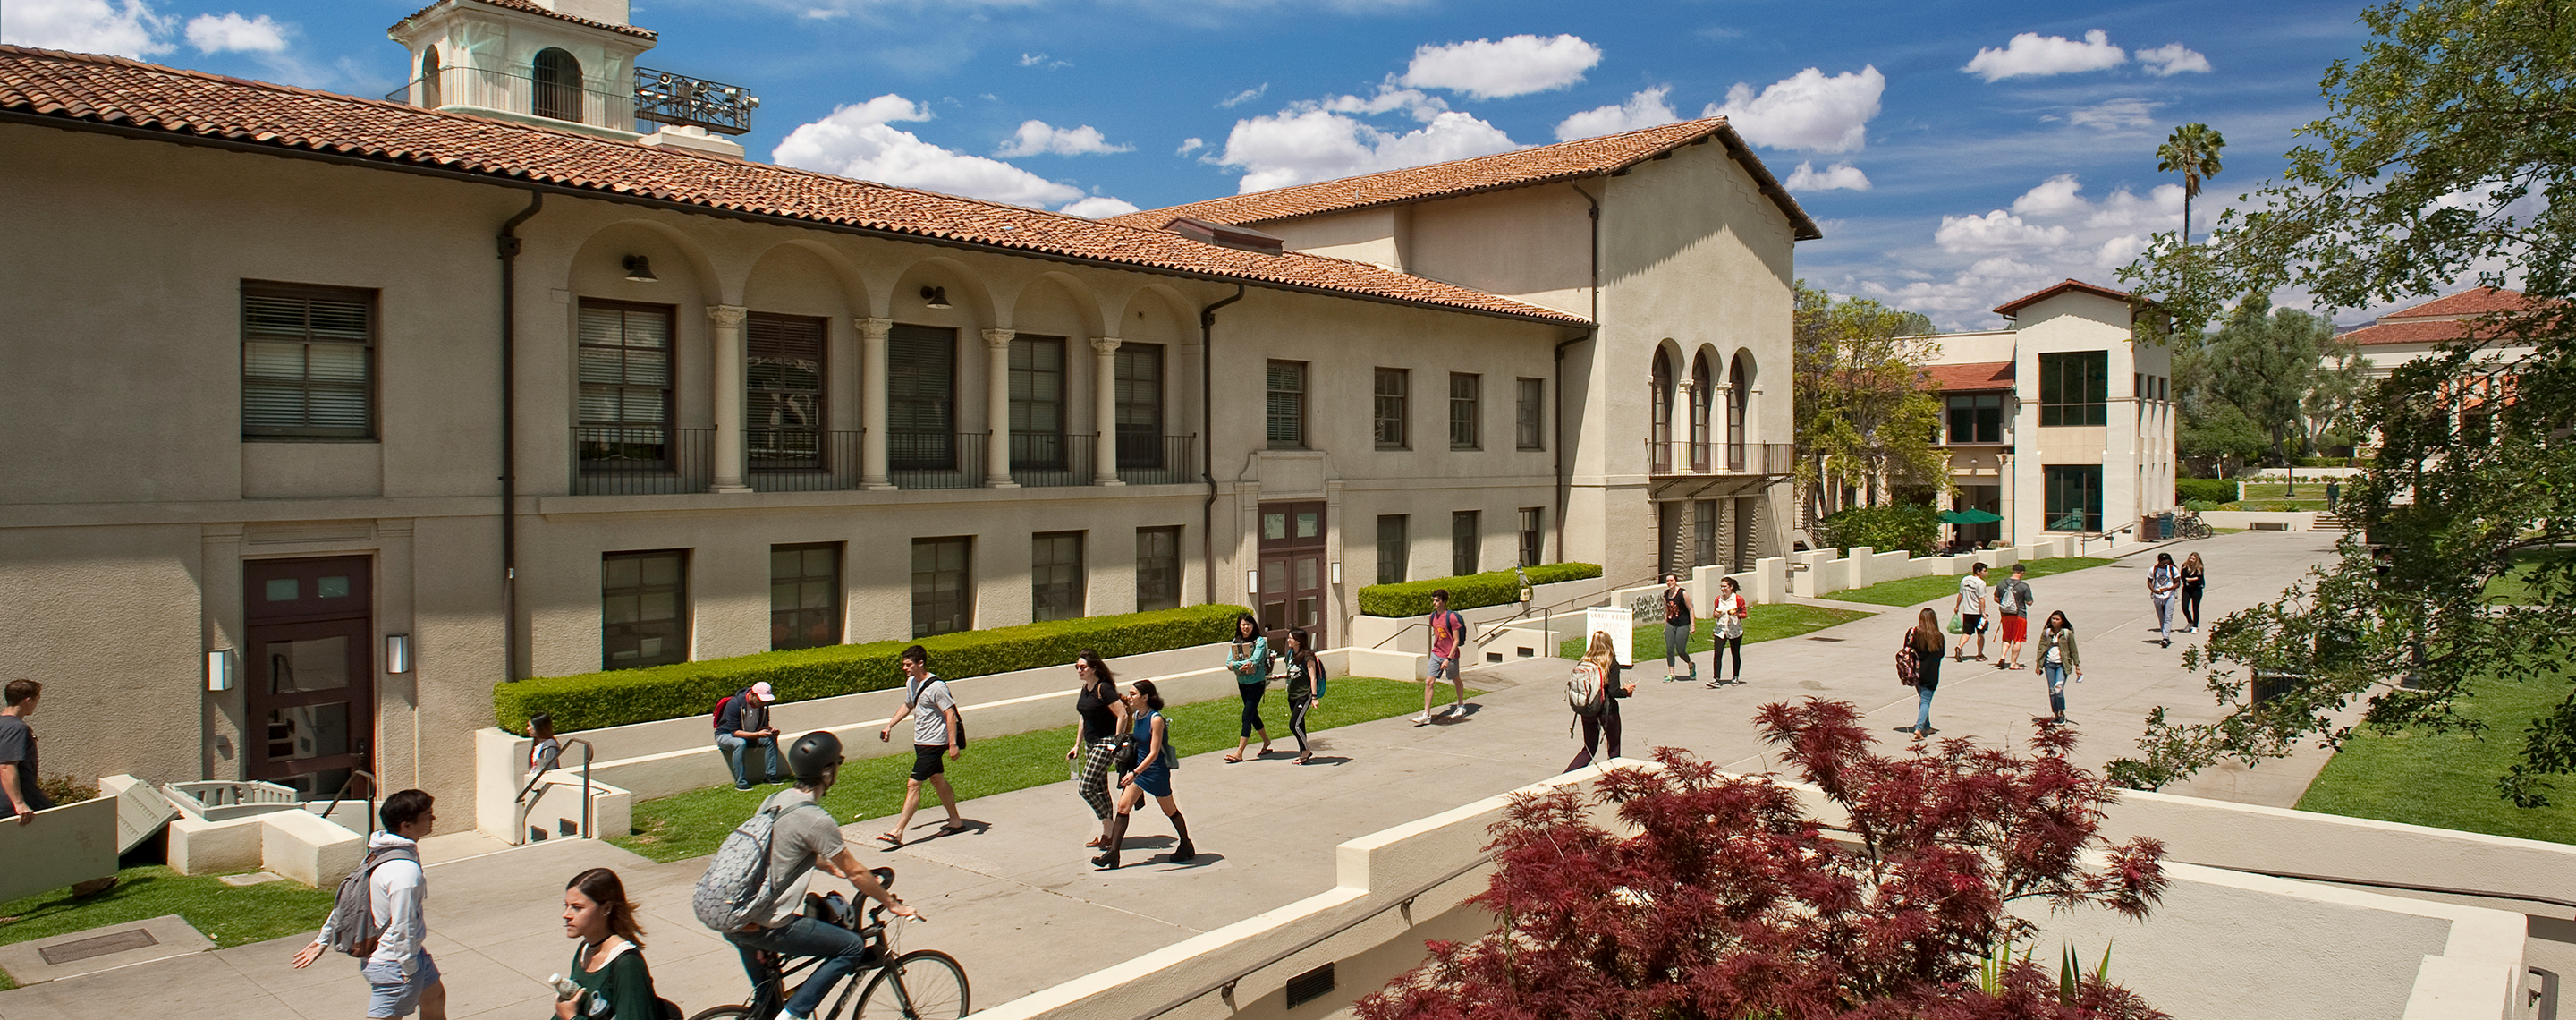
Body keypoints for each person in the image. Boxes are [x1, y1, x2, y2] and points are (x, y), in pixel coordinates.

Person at [724, 732, 914, 1020]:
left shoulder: (774, 799)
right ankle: (794, 1015)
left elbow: (783, 848)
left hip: (734, 914)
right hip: (765, 921)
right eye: (837, 763)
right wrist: (893, 904)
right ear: (828, 771)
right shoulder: (816, 819)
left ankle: (771, 1012)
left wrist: (827, 866)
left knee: (767, 1003)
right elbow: (856, 871)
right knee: (851, 947)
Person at [293, 788, 445, 1020]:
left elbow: (348, 902)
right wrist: (408, 969)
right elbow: (403, 926)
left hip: (409, 957)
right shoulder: (405, 871)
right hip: (396, 963)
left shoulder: (379, 854)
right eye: (428, 815)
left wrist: (322, 940)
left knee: (434, 998)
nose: (433, 818)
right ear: (407, 825)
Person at [1093, 678, 1194, 870]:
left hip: (1155, 771)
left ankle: (1186, 844)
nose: (1129, 697)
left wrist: (1134, 773)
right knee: (1123, 806)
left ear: (1145, 697)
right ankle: (1113, 853)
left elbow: (1154, 752)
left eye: (1133, 694)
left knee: (1169, 809)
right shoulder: (1138, 715)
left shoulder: (1155, 719)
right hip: (1139, 769)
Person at [876, 646, 965, 846]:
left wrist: (952, 744)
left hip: (934, 742)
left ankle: (897, 832)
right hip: (921, 741)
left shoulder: (937, 687)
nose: (904, 668)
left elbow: (950, 714)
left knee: (914, 783)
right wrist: (890, 725)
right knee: (937, 779)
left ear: (920, 663)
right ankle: (956, 821)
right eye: (904, 664)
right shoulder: (911, 683)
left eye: (908, 664)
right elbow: (908, 704)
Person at [555, 867, 660, 1020]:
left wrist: (571, 1018)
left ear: (606, 909)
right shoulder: (585, 950)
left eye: (577, 908)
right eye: (566, 906)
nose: (566, 915)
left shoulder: (627, 964)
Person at [1066, 650, 1129, 849]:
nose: (1079, 670)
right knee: (1100, 790)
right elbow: (1084, 717)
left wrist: (1116, 744)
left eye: (1082, 667)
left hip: (1106, 742)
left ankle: (1109, 826)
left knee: (1085, 787)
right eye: (1077, 667)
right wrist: (1077, 745)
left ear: (1094, 668)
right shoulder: (1086, 689)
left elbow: (1123, 715)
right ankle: (1108, 834)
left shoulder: (1105, 689)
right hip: (1091, 744)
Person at [1564, 631, 1634, 772]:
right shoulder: (1611, 663)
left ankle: (1564, 777)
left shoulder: (1585, 661)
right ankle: (1614, 781)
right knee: (1614, 749)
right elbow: (1614, 692)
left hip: (1588, 710)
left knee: (1588, 750)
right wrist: (1627, 691)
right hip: (1607, 712)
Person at [1, 679, 52, 825]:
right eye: (37, 700)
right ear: (28, 700)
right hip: (12, 808)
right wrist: (19, 803)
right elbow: (6, 766)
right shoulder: (17, 728)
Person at [715, 681, 783, 791]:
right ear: (752, 694)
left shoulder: (763, 706)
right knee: (740, 743)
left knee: (770, 740)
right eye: (761, 700)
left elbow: (763, 724)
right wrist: (757, 734)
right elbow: (735, 732)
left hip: (750, 735)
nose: (763, 703)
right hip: (726, 735)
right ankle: (741, 782)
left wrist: (770, 730)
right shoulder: (734, 704)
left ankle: (771, 776)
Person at [1224, 613, 1273, 762]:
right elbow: (1228, 663)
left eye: (1249, 625)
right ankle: (1266, 742)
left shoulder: (1259, 642)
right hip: (1242, 683)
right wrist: (1239, 665)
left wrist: (1236, 665)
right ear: (1239, 626)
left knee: (1246, 715)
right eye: (1243, 624)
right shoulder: (1236, 641)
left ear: (1254, 626)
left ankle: (1239, 752)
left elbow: (1255, 660)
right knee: (1253, 715)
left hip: (1256, 683)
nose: (1246, 627)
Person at [1416, 590, 1470, 725]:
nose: (1434, 603)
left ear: (1444, 602)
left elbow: (1456, 640)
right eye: (1433, 600)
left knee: (1455, 679)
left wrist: (1449, 658)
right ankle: (1426, 714)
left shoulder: (1451, 617)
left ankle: (1461, 705)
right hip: (1436, 653)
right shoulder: (1432, 617)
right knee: (1429, 682)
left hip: (1450, 655)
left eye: (1437, 601)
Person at [1281, 627, 1327, 764]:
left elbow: (1313, 678)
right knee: (1300, 724)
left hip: (1304, 695)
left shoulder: (1308, 657)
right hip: (1293, 694)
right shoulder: (1290, 654)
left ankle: (1306, 749)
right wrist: (1280, 676)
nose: (1288, 640)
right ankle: (1303, 753)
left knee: (1293, 725)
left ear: (1298, 641)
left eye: (1291, 638)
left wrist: (1314, 697)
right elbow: (1292, 673)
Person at [2031, 611, 2082, 726]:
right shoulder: (2047, 633)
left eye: (2057, 619)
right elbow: (2041, 649)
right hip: (2049, 664)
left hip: (2062, 665)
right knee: (2052, 690)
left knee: (2058, 688)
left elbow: (2073, 650)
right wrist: (2038, 665)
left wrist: (2077, 666)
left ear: (2062, 621)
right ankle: (2055, 714)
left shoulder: (2067, 634)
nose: (2054, 621)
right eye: (2053, 619)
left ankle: (2061, 714)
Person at [1906, 608, 1946, 739]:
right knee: (1925, 701)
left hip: (1916, 673)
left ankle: (1926, 726)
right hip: (1931, 673)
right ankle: (1919, 728)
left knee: (1924, 700)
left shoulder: (1914, 633)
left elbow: (1907, 648)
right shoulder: (1939, 637)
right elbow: (1941, 654)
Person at [1704, 577, 1750, 687]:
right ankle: (1716, 679)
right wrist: (1716, 614)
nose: (1723, 589)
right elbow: (1715, 612)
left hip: (1734, 630)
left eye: (1725, 586)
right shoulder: (1718, 599)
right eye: (1722, 587)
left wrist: (1736, 614)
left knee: (1735, 653)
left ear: (1731, 587)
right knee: (1718, 653)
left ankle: (1735, 676)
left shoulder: (1738, 599)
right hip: (1721, 630)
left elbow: (1744, 614)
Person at [1993, 564, 2037, 670]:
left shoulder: (2002, 583)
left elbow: (1996, 598)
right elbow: (2029, 602)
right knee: (2018, 639)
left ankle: (2002, 656)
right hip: (2019, 615)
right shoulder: (2024, 586)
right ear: (2022, 573)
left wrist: (2005, 604)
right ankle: (2013, 663)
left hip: (2005, 615)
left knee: (2006, 637)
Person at [1659, 574, 1697, 683]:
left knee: (1681, 650)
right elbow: (1666, 610)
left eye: (1671, 580)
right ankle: (1671, 673)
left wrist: (1693, 625)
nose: (1669, 582)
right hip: (1671, 624)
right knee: (1670, 649)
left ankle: (1690, 665)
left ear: (1675, 581)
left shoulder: (1682, 593)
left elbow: (1691, 609)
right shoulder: (1666, 594)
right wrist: (1665, 625)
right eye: (1667, 581)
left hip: (1682, 624)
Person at [1952, 563, 1991, 662]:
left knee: (1967, 632)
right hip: (1978, 613)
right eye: (1984, 570)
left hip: (1967, 612)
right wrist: (1983, 613)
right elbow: (1981, 599)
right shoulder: (1981, 583)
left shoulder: (1965, 580)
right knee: (1981, 634)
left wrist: (1957, 606)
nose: (1986, 573)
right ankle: (1980, 654)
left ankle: (1959, 646)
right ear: (1978, 572)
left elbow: (1961, 594)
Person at [2148, 552, 2182, 648]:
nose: (2166, 565)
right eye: (2164, 563)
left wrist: (2168, 589)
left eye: (2167, 562)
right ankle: (2164, 633)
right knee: (2161, 616)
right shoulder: (2153, 570)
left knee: (2168, 616)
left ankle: (2165, 637)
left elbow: (2177, 583)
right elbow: (2149, 581)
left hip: (2169, 596)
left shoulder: (2173, 569)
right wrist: (2153, 590)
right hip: (2157, 596)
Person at [528, 712, 563, 781]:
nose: (528, 729)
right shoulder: (537, 743)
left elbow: (551, 769)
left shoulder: (550, 746)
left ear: (538, 727)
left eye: (529, 726)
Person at [2179, 552, 2207, 633]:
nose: (2191, 560)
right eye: (2190, 558)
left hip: (2197, 590)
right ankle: (2190, 622)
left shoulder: (2199, 568)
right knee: (2184, 607)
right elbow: (2183, 578)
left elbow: (2199, 580)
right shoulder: (2185, 566)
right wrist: (2193, 579)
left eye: (2193, 559)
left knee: (2195, 608)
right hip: (2187, 589)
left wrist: (2190, 579)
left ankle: (2195, 625)